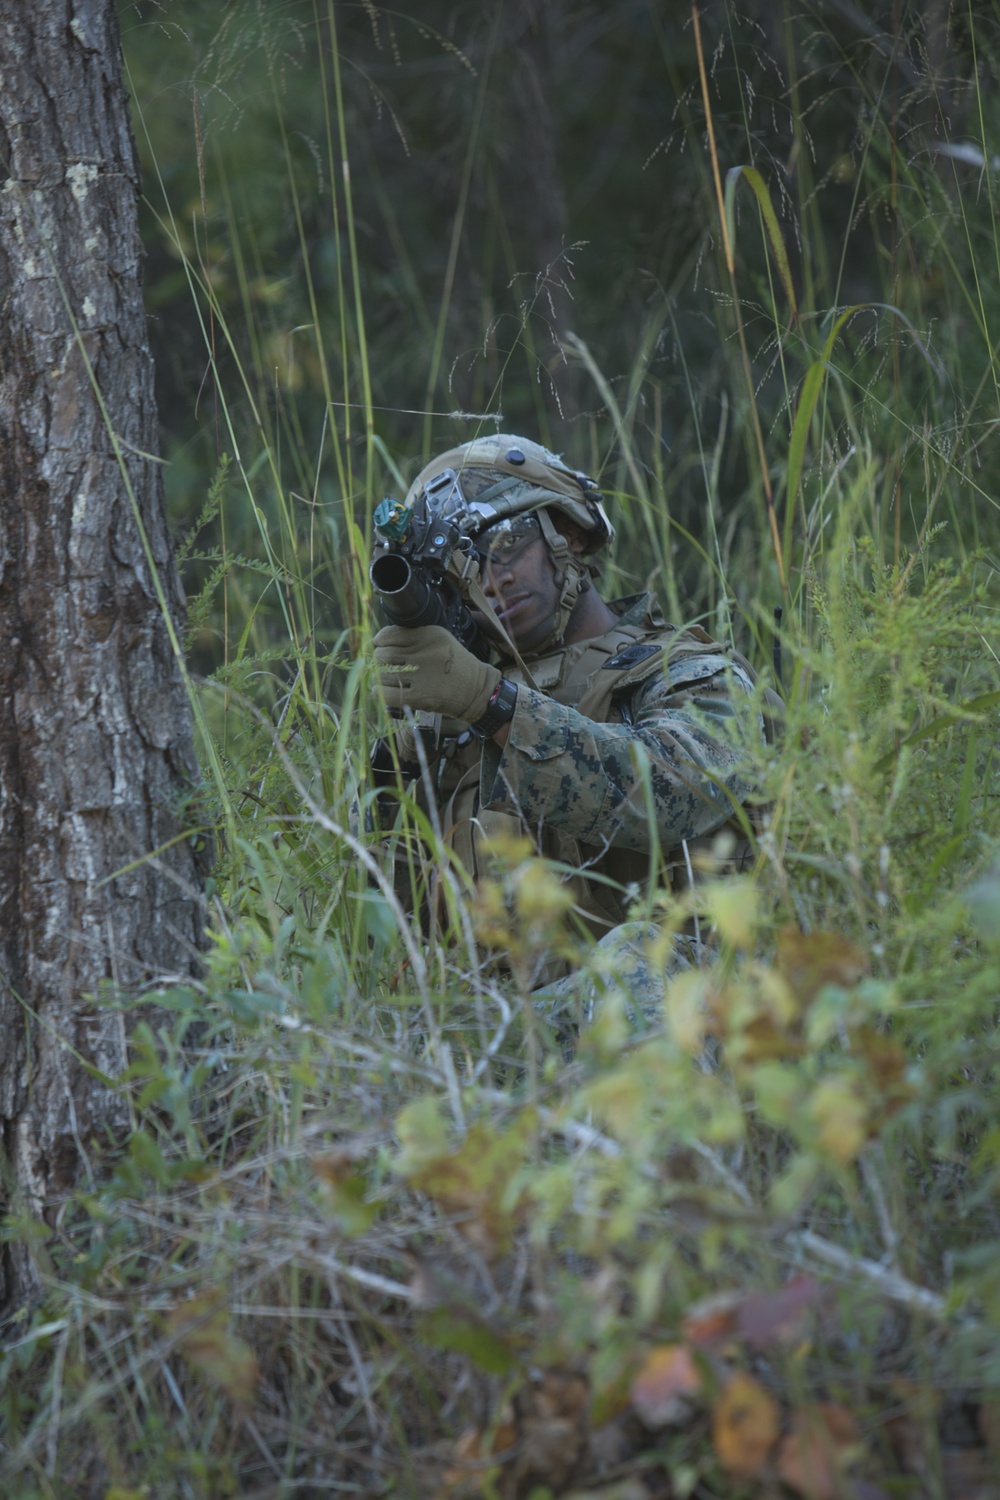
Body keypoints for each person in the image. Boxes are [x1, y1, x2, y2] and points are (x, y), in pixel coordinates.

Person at [370, 434, 765, 1020]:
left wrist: (493, 704)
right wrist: (404, 769)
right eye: (460, 571)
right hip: (516, 1053)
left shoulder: (686, 672)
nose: (488, 579)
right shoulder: (447, 730)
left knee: (635, 973)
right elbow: (405, 943)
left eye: (502, 543)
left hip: (679, 1032)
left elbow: (673, 796)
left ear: (568, 533)